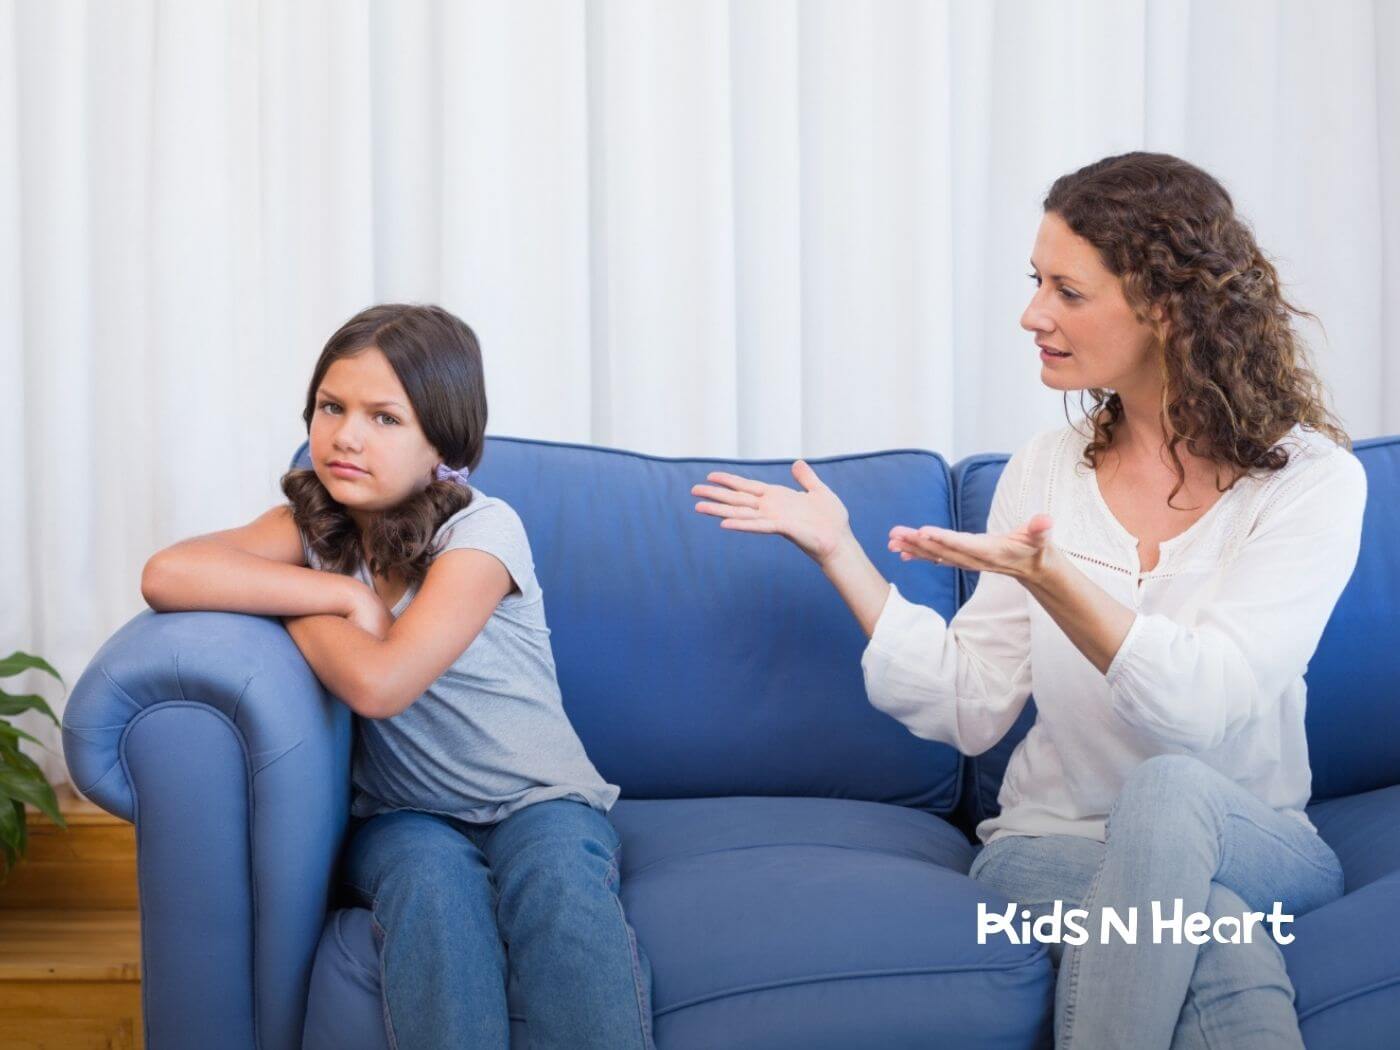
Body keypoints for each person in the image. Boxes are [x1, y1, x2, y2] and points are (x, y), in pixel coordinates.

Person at [690, 152, 1365, 1049]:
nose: (1032, 313)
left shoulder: (1310, 483)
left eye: (1067, 291)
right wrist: (840, 552)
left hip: (1252, 838)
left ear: (1166, 307)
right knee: (1217, 943)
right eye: (1034, 281)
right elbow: (969, 705)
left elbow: (1200, 707)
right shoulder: (1046, 470)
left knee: (1168, 795)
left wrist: (1055, 580)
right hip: (1052, 846)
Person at [142, 303, 655, 1049]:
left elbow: (382, 683)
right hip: (402, 814)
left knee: (560, 890)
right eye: (330, 407)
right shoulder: (313, 530)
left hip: (536, 798)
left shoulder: (480, 532)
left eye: (384, 418)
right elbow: (167, 573)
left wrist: (286, 601)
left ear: (443, 446)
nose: (346, 435)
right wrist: (338, 594)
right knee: (431, 889)